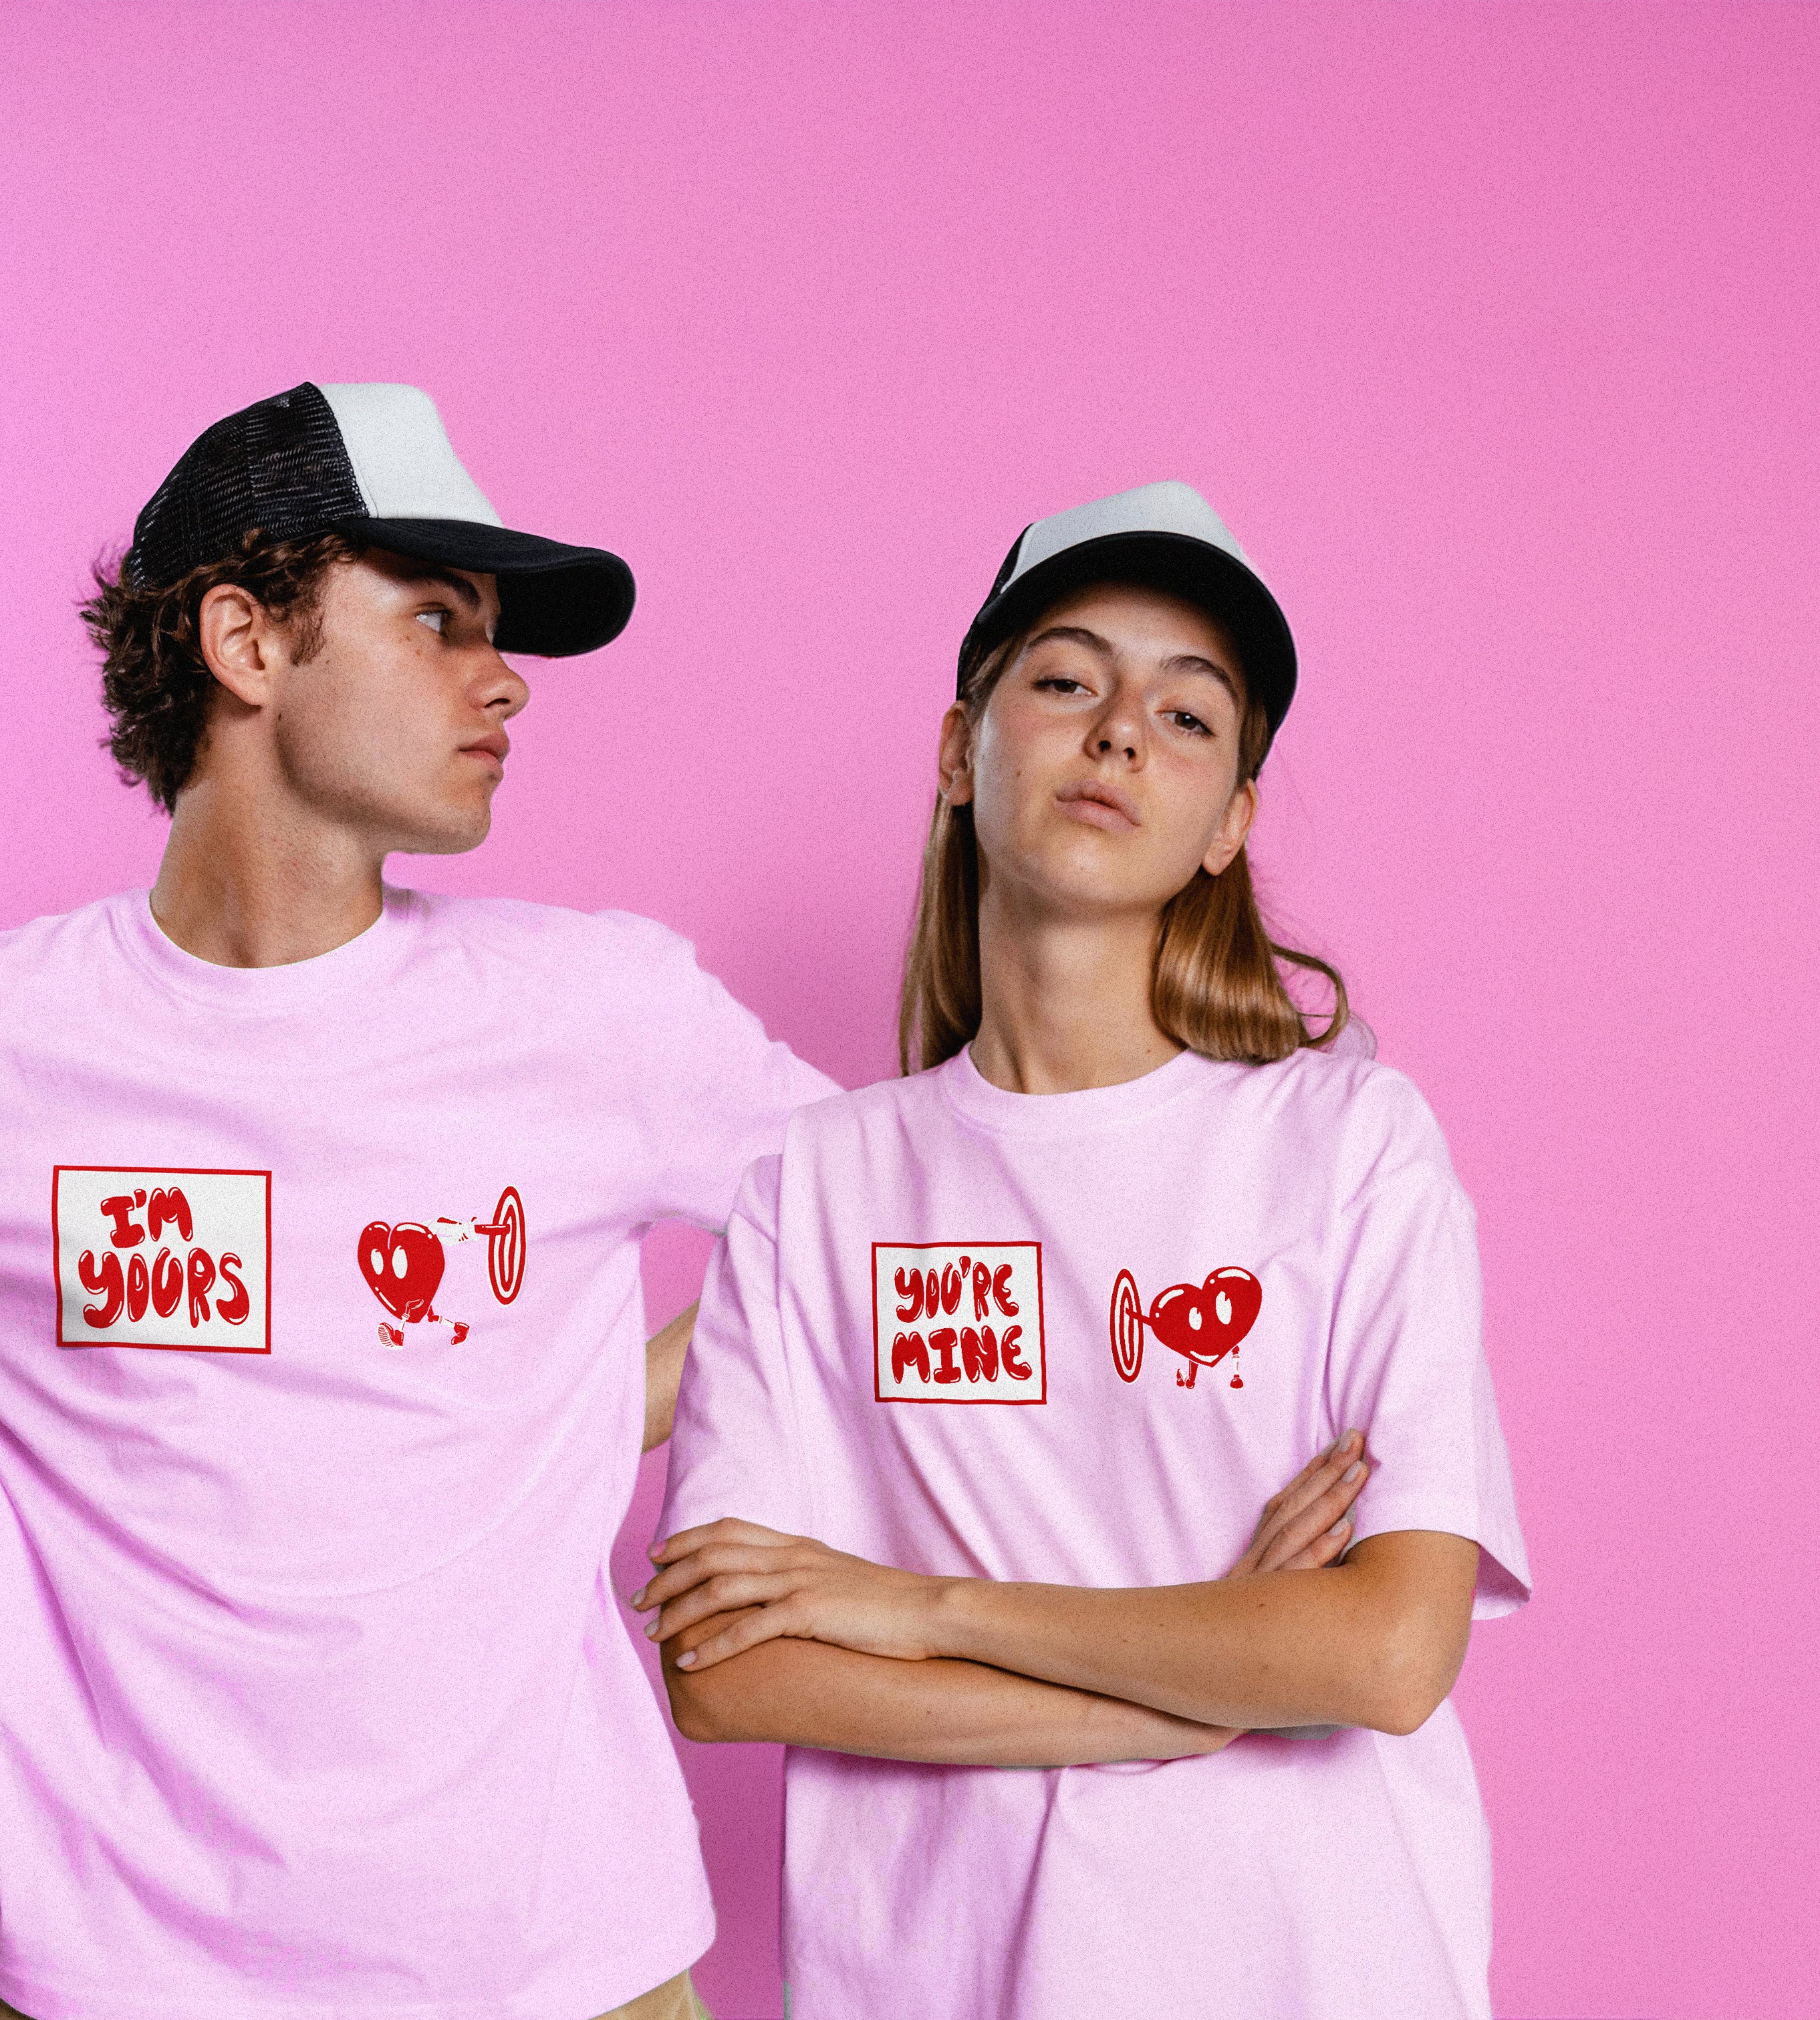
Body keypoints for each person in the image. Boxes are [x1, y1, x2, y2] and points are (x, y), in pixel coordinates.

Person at [0, 382, 848, 2020]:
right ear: (244, 639)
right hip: (121, 1972)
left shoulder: (598, 1012)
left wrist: (597, 1398)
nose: (502, 679)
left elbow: (891, 1228)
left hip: (559, 1964)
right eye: (437, 620)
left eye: (494, 631)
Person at [634, 483, 1529, 2019]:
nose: (1118, 730)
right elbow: (730, 1669)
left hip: (1309, 1967)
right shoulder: (815, 1180)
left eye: (1188, 717)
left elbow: (1385, 1648)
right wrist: (1187, 1698)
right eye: (1064, 679)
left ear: (1228, 826)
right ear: (956, 750)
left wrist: (913, 1603)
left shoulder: (1345, 1142)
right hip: (933, 1977)